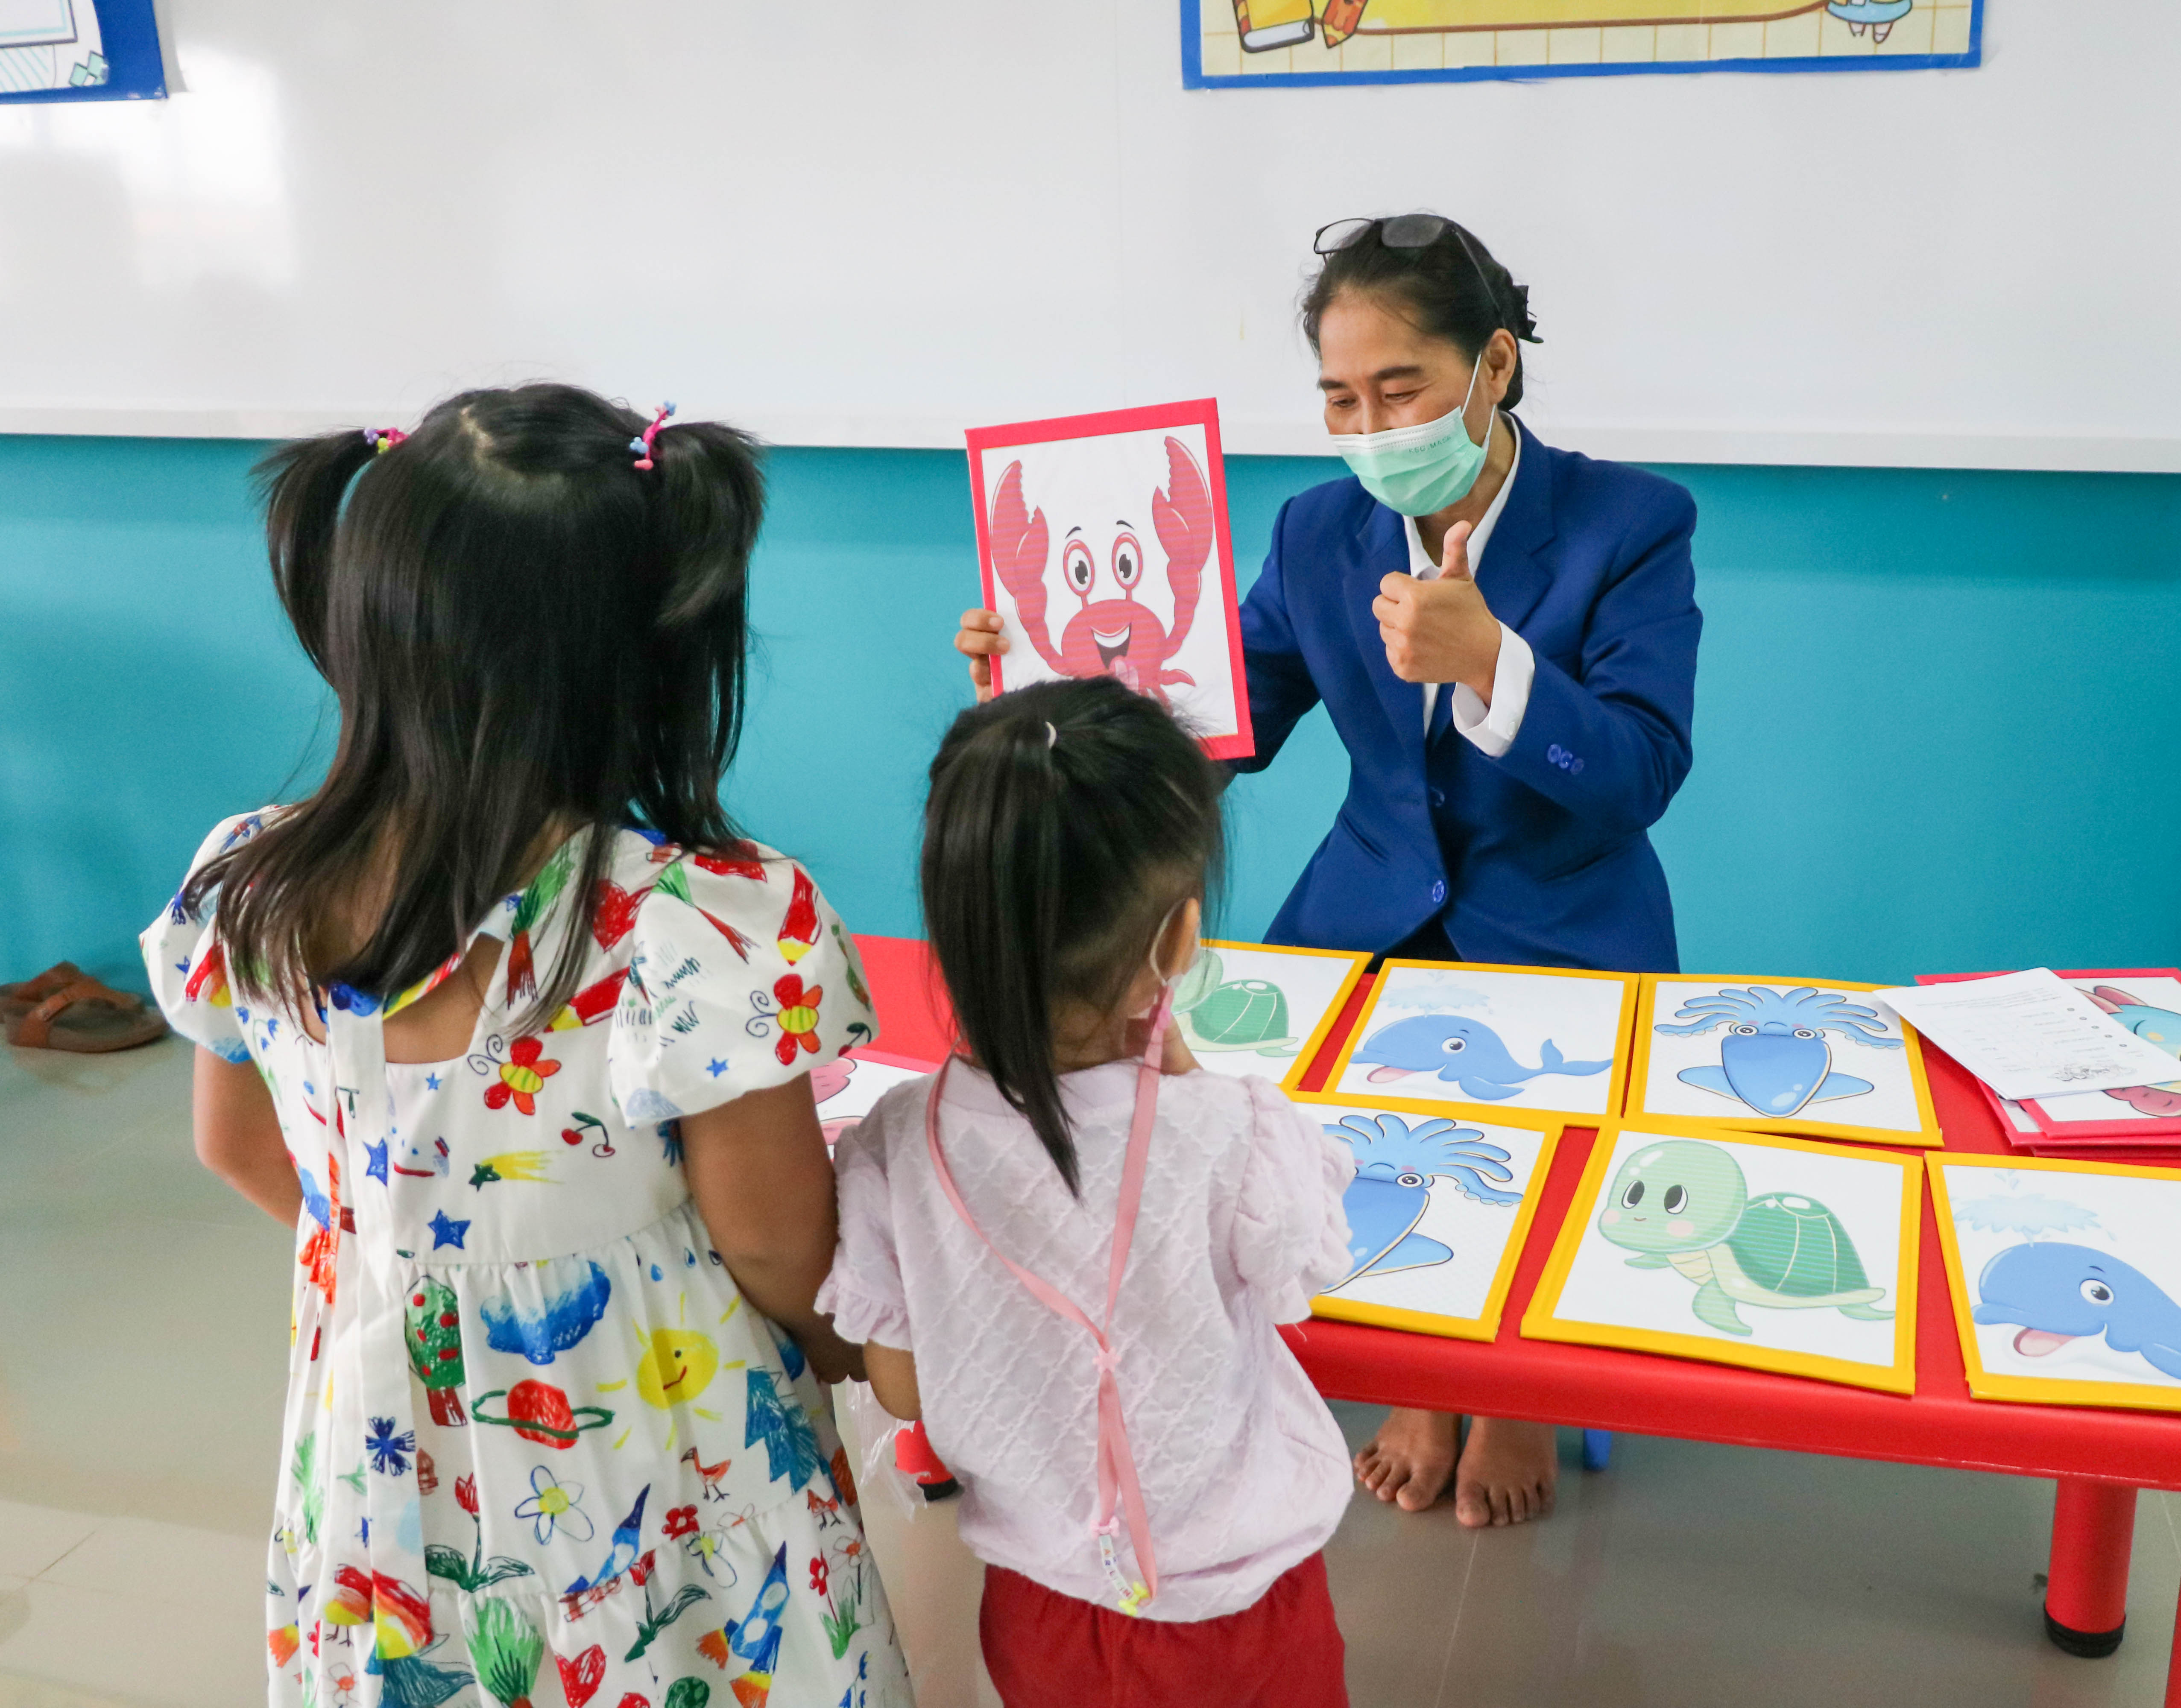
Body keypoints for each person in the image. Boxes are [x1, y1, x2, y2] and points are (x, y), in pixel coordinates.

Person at [145, 385, 910, 1708]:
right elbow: (777, 1244)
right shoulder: (694, 922)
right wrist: (860, 1352)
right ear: (643, 654)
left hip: (380, 1472)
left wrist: (414, 1264)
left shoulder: (246, 883)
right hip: (657, 1467)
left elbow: (236, 1147)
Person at [954, 214, 1702, 1529]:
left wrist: (1494, 664)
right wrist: (1048, 707)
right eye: (1340, 398)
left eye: (1400, 389)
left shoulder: (1629, 522)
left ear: (1495, 366)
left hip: (1570, 919)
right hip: (1367, 905)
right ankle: (1423, 1378)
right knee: (1331, 1144)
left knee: (1535, 1161)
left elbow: (1643, 768)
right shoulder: (1318, 531)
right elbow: (1218, 730)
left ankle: (1510, 1392)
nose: (1370, 427)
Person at [821, 676, 1356, 1708]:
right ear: (1179, 941)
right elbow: (1306, 1261)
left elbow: (902, 1388)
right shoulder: (1233, 1130)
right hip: (1242, 1607)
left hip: (1042, 1604)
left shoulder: (894, 1144)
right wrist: (1192, 1077)